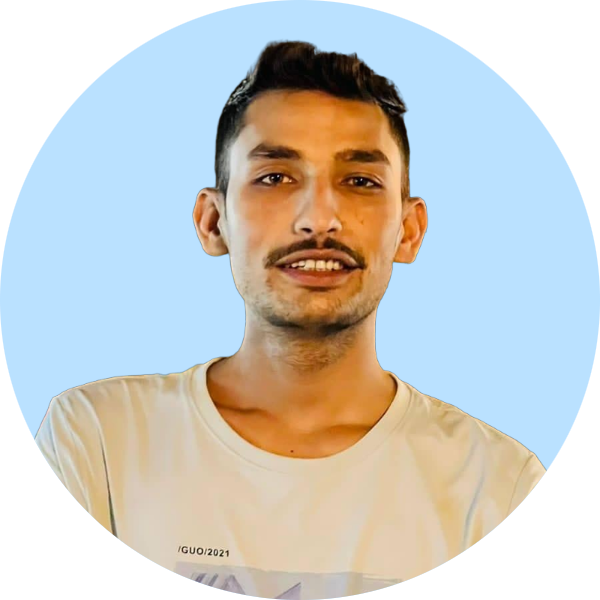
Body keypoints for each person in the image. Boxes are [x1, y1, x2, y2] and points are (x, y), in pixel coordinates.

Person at [34, 40, 546, 596]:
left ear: (409, 230)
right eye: (275, 177)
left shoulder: (498, 487)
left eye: (360, 181)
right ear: (212, 222)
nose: (319, 219)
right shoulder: (98, 442)